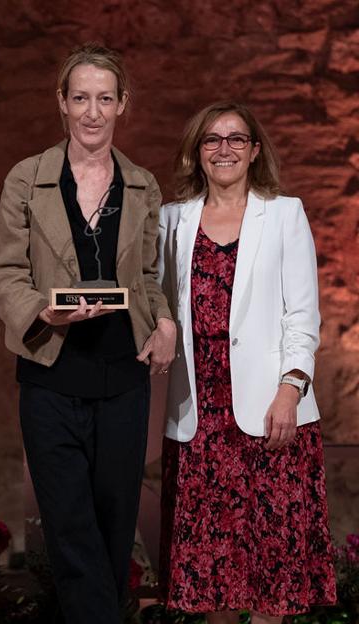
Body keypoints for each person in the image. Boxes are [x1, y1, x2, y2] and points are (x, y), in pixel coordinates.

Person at [0, 43, 176, 623]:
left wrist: (165, 321)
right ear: (62, 104)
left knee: (116, 522)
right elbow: (5, 272)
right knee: (69, 524)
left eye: (104, 98)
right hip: (50, 374)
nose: (92, 112)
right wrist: (43, 311)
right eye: (80, 98)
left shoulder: (143, 185)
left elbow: (150, 275)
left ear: (123, 105)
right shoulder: (26, 178)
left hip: (124, 377)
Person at [158, 101, 337, 624]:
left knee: (271, 579)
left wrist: (291, 390)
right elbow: (158, 302)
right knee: (212, 580)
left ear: (255, 151)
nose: (225, 149)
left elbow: (303, 316)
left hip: (270, 416)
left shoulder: (284, 213)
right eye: (212, 140)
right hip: (198, 420)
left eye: (237, 139)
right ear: (197, 153)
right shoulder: (172, 220)